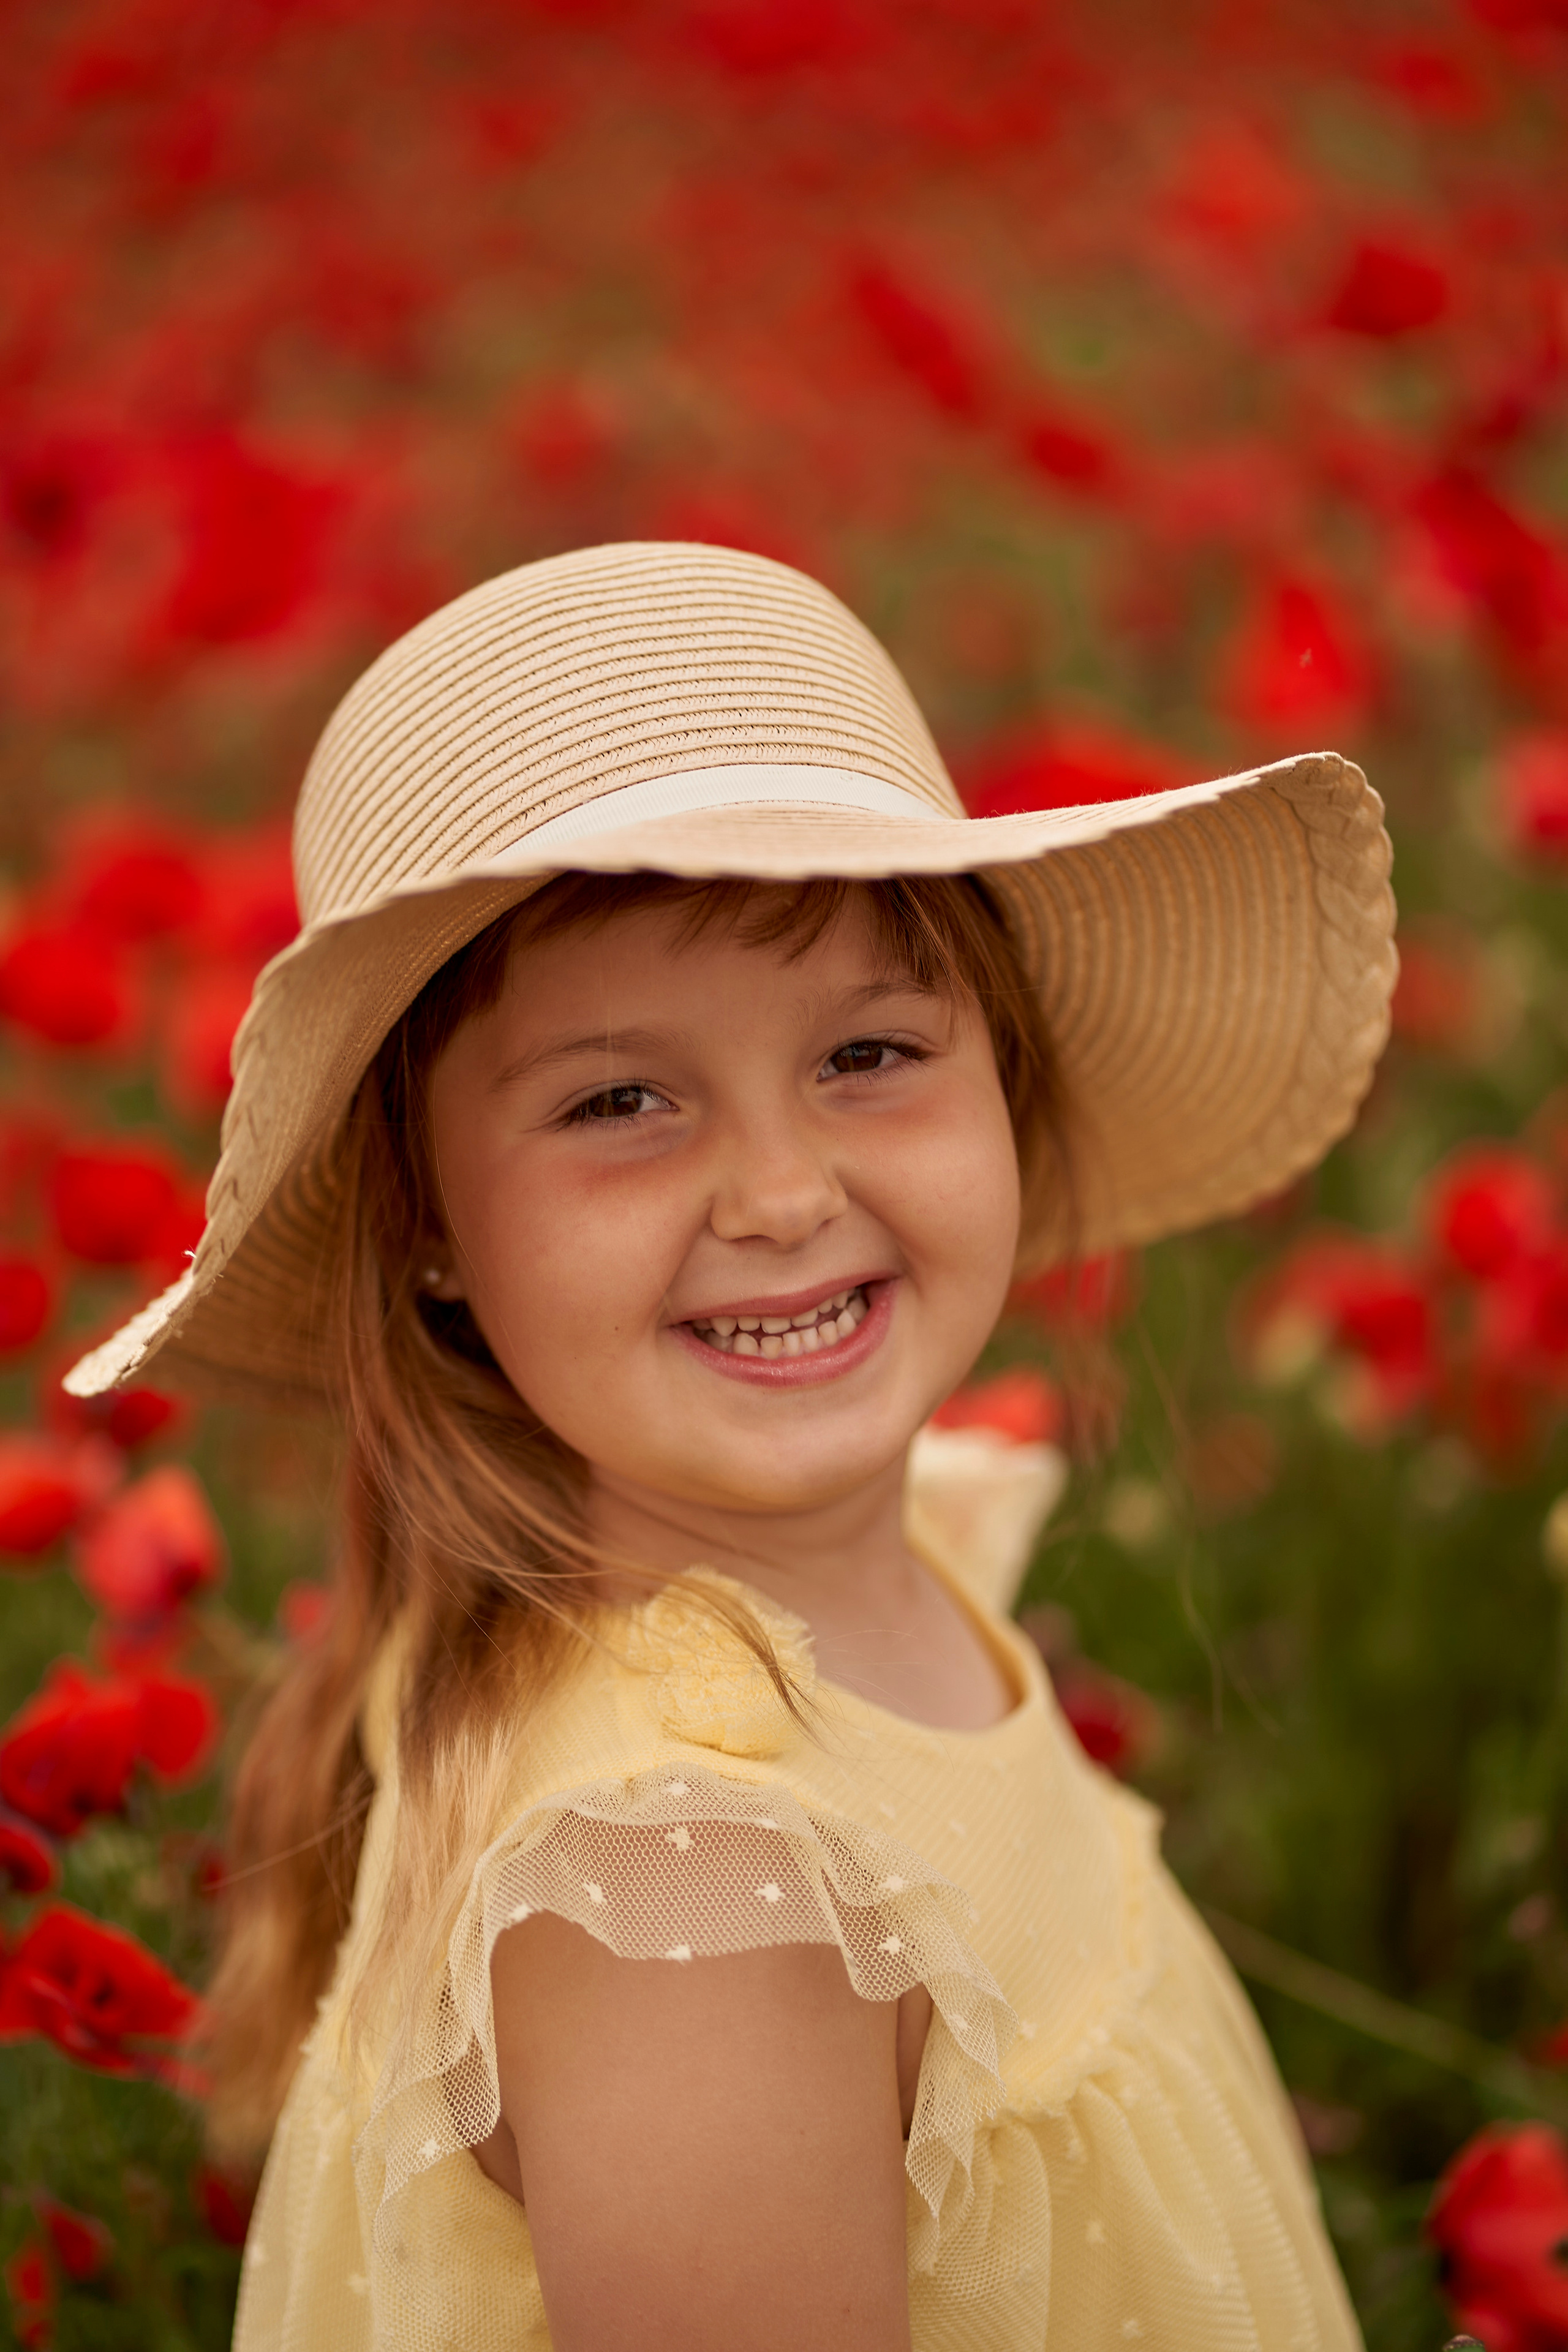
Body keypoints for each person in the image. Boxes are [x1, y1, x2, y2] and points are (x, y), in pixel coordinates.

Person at [68, 540, 1395, 2352]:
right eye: (621, 1100)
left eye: (869, 1054)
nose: (782, 1193)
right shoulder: (689, 1901)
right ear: (428, 1221)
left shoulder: (867, 1576)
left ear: (1001, 1076)